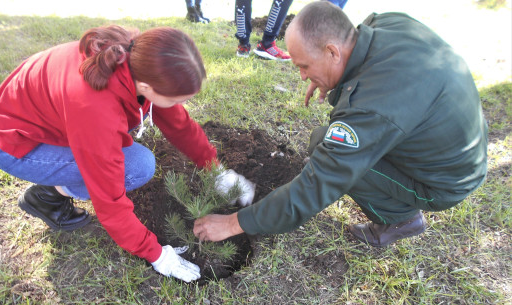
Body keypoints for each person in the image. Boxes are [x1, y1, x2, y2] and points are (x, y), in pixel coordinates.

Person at [194, 1, 488, 248]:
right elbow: (363, 41)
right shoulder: (388, 24)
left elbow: (315, 187)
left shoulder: (371, 107)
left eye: (305, 66)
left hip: (445, 181)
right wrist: (333, 78)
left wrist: (234, 223)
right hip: (453, 144)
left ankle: (401, 220)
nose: (302, 76)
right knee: (324, 141)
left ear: (333, 53)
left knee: (333, 155)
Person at [0, 25, 255, 282]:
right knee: (135, 167)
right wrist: (156, 254)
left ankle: (50, 191)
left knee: (134, 161)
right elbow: (109, 201)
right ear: (147, 89)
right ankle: (47, 196)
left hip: (45, 121)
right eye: (179, 99)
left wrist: (216, 170)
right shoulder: (94, 109)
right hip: (15, 143)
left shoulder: (138, 59)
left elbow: (178, 123)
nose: (182, 105)